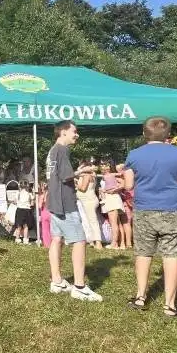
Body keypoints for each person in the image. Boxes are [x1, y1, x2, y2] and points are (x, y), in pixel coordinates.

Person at [123, 116, 177, 317]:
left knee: (143, 253)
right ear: (168, 135)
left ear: (145, 133)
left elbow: (128, 185)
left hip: (144, 208)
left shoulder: (134, 154)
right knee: (171, 255)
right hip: (173, 208)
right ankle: (170, 305)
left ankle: (140, 297)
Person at [45, 121, 101, 301]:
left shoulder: (53, 150)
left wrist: (76, 171)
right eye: (74, 132)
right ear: (63, 132)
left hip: (54, 202)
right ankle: (79, 286)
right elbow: (65, 176)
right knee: (79, 241)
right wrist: (83, 171)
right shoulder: (62, 150)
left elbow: (59, 175)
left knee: (57, 239)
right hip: (65, 203)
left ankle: (57, 281)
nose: (77, 135)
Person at [76, 159, 103, 249]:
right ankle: (92, 240)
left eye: (82, 166)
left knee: (93, 221)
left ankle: (98, 242)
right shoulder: (89, 175)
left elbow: (83, 188)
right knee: (89, 220)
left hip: (89, 200)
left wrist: (76, 186)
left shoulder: (87, 176)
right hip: (88, 199)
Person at [99, 162, 126, 249]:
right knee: (117, 222)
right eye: (102, 166)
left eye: (106, 166)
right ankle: (121, 243)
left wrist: (115, 190)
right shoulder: (104, 177)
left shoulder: (112, 175)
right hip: (109, 198)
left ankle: (114, 243)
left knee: (113, 222)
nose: (104, 167)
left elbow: (123, 183)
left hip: (112, 198)